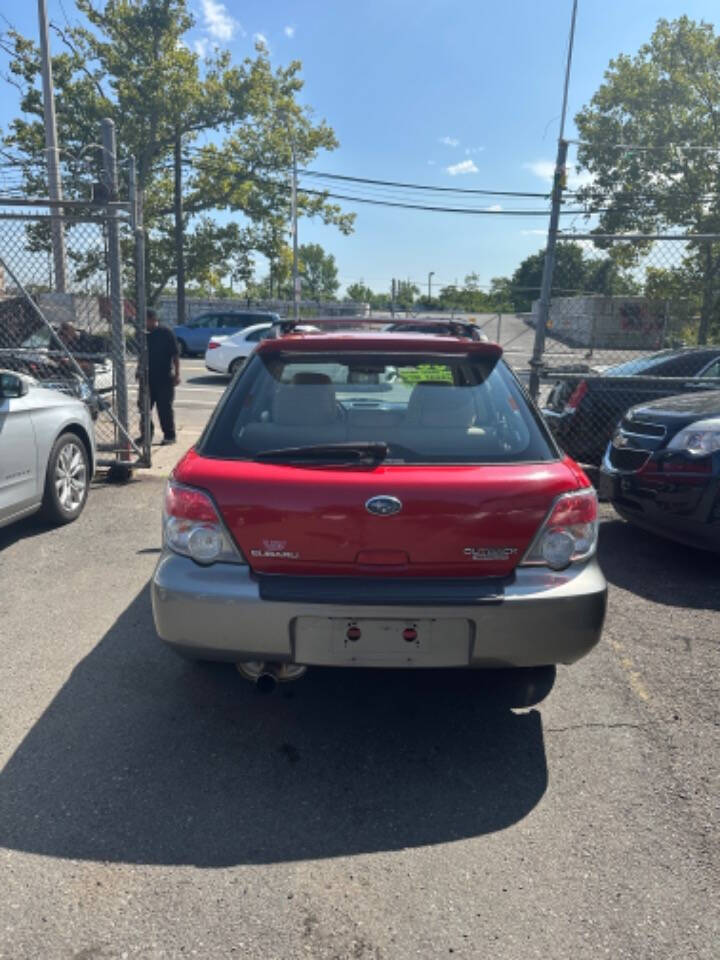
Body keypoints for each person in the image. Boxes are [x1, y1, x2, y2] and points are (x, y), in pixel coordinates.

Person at [139, 308, 180, 445]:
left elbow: (175, 355)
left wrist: (177, 374)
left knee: (164, 408)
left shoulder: (166, 333)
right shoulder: (143, 334)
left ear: (153, 319)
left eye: (145, 320)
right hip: (147, 378)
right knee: (144, 408)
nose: (143, 323)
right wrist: (138, 370)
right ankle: (145, 436)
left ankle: (169, 435)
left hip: (164, 378)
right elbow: (142, 355)